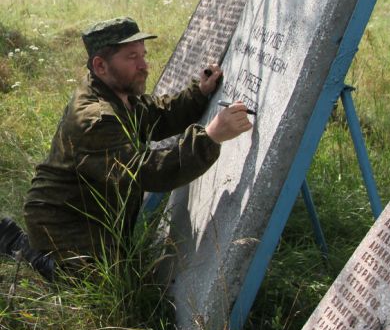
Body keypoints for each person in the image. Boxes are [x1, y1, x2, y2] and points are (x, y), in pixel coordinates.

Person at [0, 16, 252, 281]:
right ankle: (25, 249)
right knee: (106, 284)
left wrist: (199, 93)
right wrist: (209, 137)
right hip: (61, 220)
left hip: (88, 209)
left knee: (122, 273)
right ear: (101, 65)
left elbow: (156, 116)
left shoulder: (114, 89)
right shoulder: (95, 118)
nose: (144, 65)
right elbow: (148, 172)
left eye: (143, 55)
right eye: (132, 57)